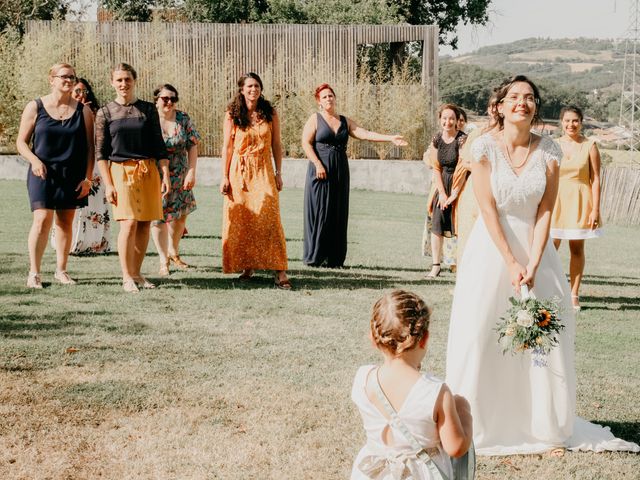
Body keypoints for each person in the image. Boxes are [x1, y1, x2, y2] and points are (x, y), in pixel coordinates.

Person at [445, 75, 639, 455]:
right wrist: (511, 261)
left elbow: (547, 209)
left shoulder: (549, 150)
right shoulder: (483, 147)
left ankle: (546, 429)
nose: (523, 102)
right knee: (480, 334)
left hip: (538, 252)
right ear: (499, 106)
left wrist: (533, 263)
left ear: (535, 107)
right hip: (491, 251)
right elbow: (486, 210)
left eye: (530, 97)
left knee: (543, 340)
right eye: (514, 96)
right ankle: (477, 425)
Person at [351, 290, 473, 479]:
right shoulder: (435, 392)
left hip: (371, 472)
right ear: (424, 339)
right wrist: (464, 412)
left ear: (374, 339)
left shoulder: (362, 378)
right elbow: (456, 447)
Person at [301, 83, 407, 268]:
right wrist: (317, 164)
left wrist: (390, 138)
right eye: (324, 96)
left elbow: (364, 133)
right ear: (319, 101)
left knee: (338, 212)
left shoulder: (344, 120)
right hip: (320, 171)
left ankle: (335, 259)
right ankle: (315, 257)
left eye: (331, 95)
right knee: (320, 212)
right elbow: (306, 144)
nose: (328, 99)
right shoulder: (315, 119)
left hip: (340, 171)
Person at [16, 63, 94, 288]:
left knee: (65, 222)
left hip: (73, 174)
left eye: (72, 77)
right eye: (63, 77)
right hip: (41, 172)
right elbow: (21, 142)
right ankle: (34, 273)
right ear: (51, 80)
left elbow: (90, 148)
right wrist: (35, 161)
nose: (68, 80)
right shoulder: (35, 106)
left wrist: (87, 178)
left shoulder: (83, 111)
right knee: (41, 220)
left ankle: (61, 270)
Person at [95, 63, 170, 293]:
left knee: (145, 223)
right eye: (119, 80)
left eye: (127, 79)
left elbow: (159, 146)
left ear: (134, 80)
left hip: (148, 170)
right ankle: (126, 276)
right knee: (128, 223)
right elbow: (101, 153)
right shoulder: (105, 112)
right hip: (120, 171)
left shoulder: (148, 110)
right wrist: (108, 184)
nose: (123, 84)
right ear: (112, 83)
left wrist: (165, 175)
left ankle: (137, 274)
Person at [220, 72, 291, 289]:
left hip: (263, 169)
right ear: (241, 89)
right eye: (249, 86)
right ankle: (247, 266)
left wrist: (279, 172)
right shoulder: (232, 114)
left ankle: (280, 270)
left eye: (257, 86)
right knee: (243, 218)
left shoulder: (270, 113)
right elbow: (228, 147)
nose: (254, 90)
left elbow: (276, 145)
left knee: (269, 217)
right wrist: (224, 176)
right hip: (238, 172)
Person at [550, 106, 602, 311]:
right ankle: (550, 290)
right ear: (561, 123)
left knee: (576, 248)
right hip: (556, 199)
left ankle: (574, 294)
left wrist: (595, 209)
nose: (571, 125)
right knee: (549, 248)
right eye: (567, 121)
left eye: (575, 121)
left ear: (581, 122)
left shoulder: (590, 145)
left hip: (581, 200)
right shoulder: (552, 145)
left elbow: (596, 178)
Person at [55, 77, 112, 255]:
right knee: (75, 207)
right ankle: (72, 243)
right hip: (72, 163)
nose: (81, 95)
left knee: (94, 204)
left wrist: (92, 116)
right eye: (77, 91)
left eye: (84, 91)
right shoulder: (64, 111)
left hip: (94, 163)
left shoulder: (97, 112)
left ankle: (95, 243)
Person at [150, 84, 200, 276]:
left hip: (180, 173)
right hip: (156, 174)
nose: (169, 102)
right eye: (165, 98)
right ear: (156, 99)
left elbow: (193, 145)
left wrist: (191, 171)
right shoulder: (149, 119)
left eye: (173, 99)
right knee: (158, 217)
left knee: (180, 215)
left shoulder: (183, 118)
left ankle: (173, 251)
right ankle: (163, 260)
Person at [449, 94, 500, 264]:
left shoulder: (509, 135)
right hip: (475, 187)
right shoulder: (477, 134)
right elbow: (465, 162)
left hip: (499, 188)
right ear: (488, 109)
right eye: (491, 105)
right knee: (469, 231)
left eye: (498, 105)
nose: (494, 109)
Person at [425, 104, 467, 278]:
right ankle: (436, 265)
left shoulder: (462, 139)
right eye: (444, 118)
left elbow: (463, 167)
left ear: (457, 121)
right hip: (441, 183)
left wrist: (455, 194)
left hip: (460, 184)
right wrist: (442, 194)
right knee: (436, 226)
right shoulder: (437, 138)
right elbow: (436, 167)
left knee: (461, 227)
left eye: (451, 118)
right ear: (440, 119)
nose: (448, 122)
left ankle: (462, 266)